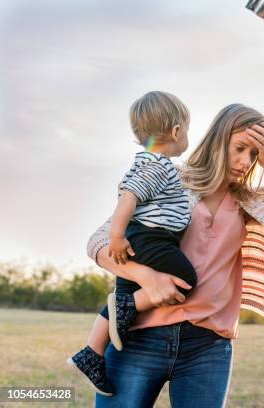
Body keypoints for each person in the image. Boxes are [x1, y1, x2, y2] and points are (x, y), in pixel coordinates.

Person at [85, 103, 264, 407]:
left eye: (254, 155)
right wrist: (146, 277)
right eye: (240, 148)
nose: (246, 161)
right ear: (219, 140)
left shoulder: (255, 204)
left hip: (207, 348)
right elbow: (99, 242)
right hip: (139, 337)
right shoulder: (169, 179)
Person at [68, 91, 196, 396]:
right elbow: (129, 197)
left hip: (142, 237)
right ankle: (126, 308)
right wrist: (116, 236)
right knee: (186, 280)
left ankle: (93, 353)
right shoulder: (158, 166)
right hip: (151, 239)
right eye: (187, 130)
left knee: (121, 294)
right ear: (177, 132)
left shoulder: (145, 162)